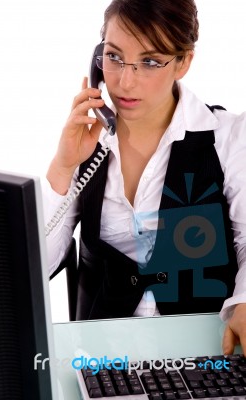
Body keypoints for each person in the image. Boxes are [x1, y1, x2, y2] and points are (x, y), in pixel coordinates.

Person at [44, 0, 246, 355]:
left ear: (183, 62)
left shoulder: (228, 137)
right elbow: (34, 268)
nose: (124, 81)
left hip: (208, 354)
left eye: (150, 62)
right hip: (101, 361)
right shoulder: (86, 141)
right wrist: (62, 167)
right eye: (114, 57)